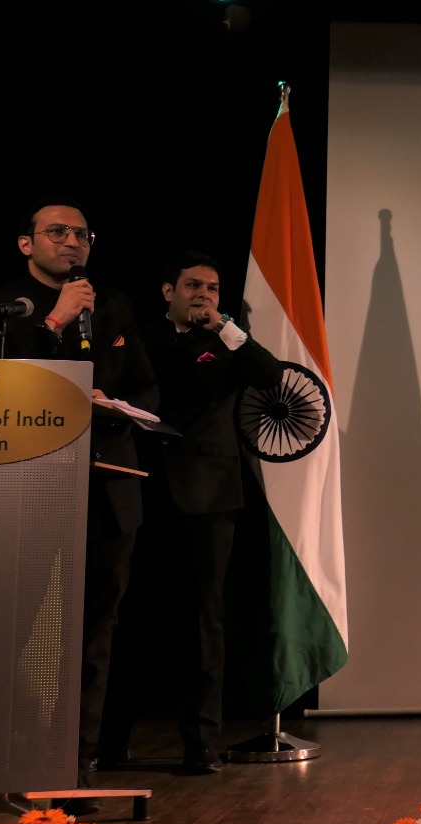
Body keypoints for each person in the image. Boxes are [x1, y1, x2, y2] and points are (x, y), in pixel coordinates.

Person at [0, 196, 159, 812]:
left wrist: (113, 404)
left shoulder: (114, 307)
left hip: (107, 490)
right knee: (11, 629)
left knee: (93, 635)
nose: (73, 242)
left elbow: (147, 389)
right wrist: (53, 323)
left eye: (82, 234)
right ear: (26, 244)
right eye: (57, 232)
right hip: (25, 494)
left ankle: (74, 767)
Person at [102, 251, 281, 774]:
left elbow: (269, 376)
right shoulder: (142, 338)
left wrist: (223, 326)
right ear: (169, 291)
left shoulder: (227, 341)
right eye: (192, 286)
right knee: (128, 613)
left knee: (205, 618)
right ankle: (109, 742)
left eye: (212, 288)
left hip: (209, 493)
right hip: (141, 486)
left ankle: (199, 743)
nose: (203, 295)